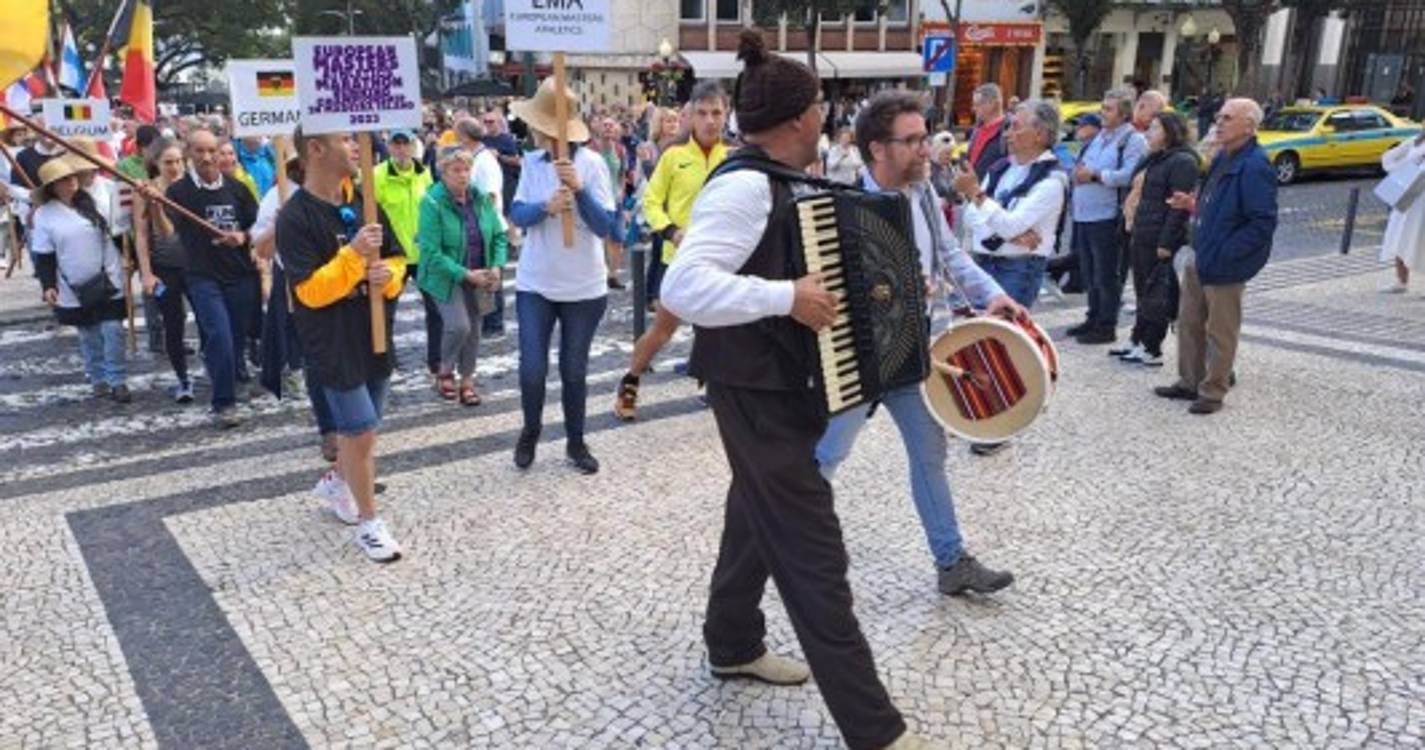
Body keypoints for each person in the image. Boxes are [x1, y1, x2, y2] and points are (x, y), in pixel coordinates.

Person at [660, 30, 927, 750]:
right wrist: (785, 297)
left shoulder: (781, 184)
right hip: (753, 389)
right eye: (819, 108)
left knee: (753, 511)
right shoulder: (747, 186)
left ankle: (731, 642)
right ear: (799, 119)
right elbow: (680, 286)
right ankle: (877, 732)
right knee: (814, 552)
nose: (825, 120)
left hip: (773, 383)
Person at [817, 90, 1023, 595]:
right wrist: (891, 292)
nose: (925, 149)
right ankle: (800, 542)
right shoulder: (840, 205)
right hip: (861, 357)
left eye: (924, 137)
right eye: (911, 141)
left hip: (914, 352)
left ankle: (951, 562)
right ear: (876, 149)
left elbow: (951, 255)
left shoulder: (925, 192)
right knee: (825, 457)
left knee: (930, 451)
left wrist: (994, 296)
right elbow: (824, 289)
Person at [278, 128, 407, 562]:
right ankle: (370, 524)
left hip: (372, 334)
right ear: (315, 149)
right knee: (361, 430)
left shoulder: (363, 201)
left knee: (365, 435)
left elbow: (396, 256)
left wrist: (388, 277)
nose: (357, 147)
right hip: (331, 342)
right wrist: (352, 256)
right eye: (346, 140)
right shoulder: (295, 217)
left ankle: (339, 480)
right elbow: (309, 292)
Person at [507, 77, 617, 475]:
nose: (531, 130)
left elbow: (606, 227)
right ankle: (530, 430)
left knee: (574, 370)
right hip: (536, 283)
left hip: (584, 286)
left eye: (536, 123)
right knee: (532, 368)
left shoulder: (592, 165)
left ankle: (575, 441)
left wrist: (581, 190)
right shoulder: (532, 164)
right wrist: (545, 207)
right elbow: (517, 215)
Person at [954, 99, 1069, 457]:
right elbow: (972, 220)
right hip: (986, 262)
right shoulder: (1002, 167)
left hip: (1018, 269)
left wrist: (979, 198)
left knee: (1008, 347)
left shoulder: (1052, 180)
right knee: (977, 344)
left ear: (1041, 134)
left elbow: (1004, 220)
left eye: (1017, 126)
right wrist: (1002, 225)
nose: (1009, 132)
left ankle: (998, 427)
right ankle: (976, 414)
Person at [613, 81, 730, 421]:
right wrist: (669, 231)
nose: (710, 120)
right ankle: (631, 380)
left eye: (717, 113)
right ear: (691, 116)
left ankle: (718, 386)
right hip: (678, 260)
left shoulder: (733, 158)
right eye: (703, 113)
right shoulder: (674, 157)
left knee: (722, 329)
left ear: (726, 115)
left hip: (722, 262)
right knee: (663, 330)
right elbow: (650, 200)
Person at [1154, 98, 1278, 415]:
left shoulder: (1255, 165)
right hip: (1202, 252)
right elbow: (1218, 203)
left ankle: (1213, 390)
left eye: (1228, 118)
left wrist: (1227, 253)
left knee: (1220, 331)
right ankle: (1189, 381)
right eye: (1219, 116)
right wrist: (1192, 204)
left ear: (1249, 126)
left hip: (1224, 262)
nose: (1219, 123)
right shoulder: (1224, 156)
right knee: (1189, 322)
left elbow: (1261, 222)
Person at [166, 127, 260, 428]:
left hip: (240, 274)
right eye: (200, 152)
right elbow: (168, 230)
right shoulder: (178, 193)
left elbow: (257, 228)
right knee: (218, 335)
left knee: (234, 337)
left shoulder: (238, 189)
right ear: (189, 154)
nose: (207, 158)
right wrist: (156, 205)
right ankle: (224, 402)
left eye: (212, 151)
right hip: (203, 276)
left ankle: (229, 375)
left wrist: (242, 236)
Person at [30, 157, 131, 402]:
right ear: (53, 186)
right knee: (89, 335)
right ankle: (98, 377)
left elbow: (117, 233)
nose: (71, 182)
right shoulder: (45, 215)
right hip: (73, 284)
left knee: (113, 330)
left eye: (72, 177)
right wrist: (48, 286)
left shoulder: (96, 201)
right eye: (63, 180)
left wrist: (131, 258)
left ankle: (118, 380)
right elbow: (44, 254)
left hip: (108, 275)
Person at [417, 147, 508, 406]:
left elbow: (499, 236)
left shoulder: (480, 199)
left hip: (481, 271)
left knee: (475, 331)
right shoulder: (432, 202)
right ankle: (445, 370)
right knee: (459, 325)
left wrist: (498, 266)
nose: (463, 175)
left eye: (466, 169)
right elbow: (431, 252)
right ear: (442, 173)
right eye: (456, 170)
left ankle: (467, 381)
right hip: (445, 276)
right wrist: (465, 274)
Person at [1115, 111, 1199, 367]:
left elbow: (1177, 206)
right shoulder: (1155, 158)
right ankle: (1137, 339)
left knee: (1157, 293)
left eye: (1155, 128)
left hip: (1158, 237)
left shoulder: (1182, 161)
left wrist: (1166, 242)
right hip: (1142, 231)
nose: (1149, 133)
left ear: (1170, 132)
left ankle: (1152, 347)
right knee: (1143, 290)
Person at [1067, 89, 1148, 345]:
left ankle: (1106, 324)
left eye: (1109, 109)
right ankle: (1093, 316)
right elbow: (1082, 163)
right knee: (1089, 271)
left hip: (1108, 215)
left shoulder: (1132, 140)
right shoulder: (1099, 137)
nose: (1103, 113)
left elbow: (1129, 174)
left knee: (1106, 273)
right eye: (1103, 108)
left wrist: (1095, 175)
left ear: (1123, 113)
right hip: (1084, 214)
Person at [372, 128, 439, 374]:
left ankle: (437, 360)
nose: (401, 149)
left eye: (405, 143)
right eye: (396, 144)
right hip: (392, 254)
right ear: (389, 147)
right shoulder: (376, 175)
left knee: (436, 311)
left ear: (413, 146)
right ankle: (386, 362)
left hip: (423, 254)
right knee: (386, 312)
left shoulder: (425, 173)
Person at [133, 138, 195, 402]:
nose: (175, 167)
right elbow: (141, 234)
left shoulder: (190, 186)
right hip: (164, 266)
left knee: (208, 320)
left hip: (194, 265)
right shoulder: (146, 191)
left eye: (179, 161)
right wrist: (146, 273)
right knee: (173, 324)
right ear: (156, 164)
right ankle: (183, 379)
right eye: (168, 162)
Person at [1377, 132, 1425, 293]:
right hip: (1408, 191)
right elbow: (1390, 158)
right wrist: (1407, 166)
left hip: (1422, 198)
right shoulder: (1416, 140)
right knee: (1398, 235)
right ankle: (1401, 280)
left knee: (1420, 238)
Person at [593, 116, 629, 290]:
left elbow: (622, 173)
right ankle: (600, 273)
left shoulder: (620, 150)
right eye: (604, 125)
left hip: (615, 200)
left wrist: (621, 190)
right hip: (598, 201)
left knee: (618, 239)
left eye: (611, 125)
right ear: (598, 128)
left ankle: (612, 275)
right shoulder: (590, 150)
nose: (608, 128)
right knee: (599, 239)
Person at [966, 83, 1009, 177]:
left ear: (992, 104)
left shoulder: (1010, 130)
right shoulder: (976, 130)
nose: (973, 109)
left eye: (977, 104)